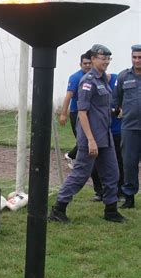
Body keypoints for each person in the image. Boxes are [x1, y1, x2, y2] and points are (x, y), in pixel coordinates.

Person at [49, 44, 125, 223]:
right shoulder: (87, 81)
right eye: (102, 58)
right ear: (92, 59)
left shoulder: (103, 80)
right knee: (81, 174)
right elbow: (82, 112)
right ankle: (58, 209)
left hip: (104, 136)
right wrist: (90, 140)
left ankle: (111, 210)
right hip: (90, 137)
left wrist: (114, 112)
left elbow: (101, 108)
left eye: (108, 58)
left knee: (112, 173)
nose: (105, 61)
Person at [59, 50, 103, 200]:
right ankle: (97, 189)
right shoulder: (76, 77)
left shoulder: (97, 77)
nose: (87, 66)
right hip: (78, 114)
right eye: (85, 64)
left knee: (93, 147)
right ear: (80, 64)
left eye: (89, 63)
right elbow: (68, 96)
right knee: (87, 147)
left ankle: (71, 155)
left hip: (92, 116)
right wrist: (64, 113)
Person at [112, 44, 141, 209]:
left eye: (140, 57)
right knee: (129, 163)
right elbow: (116, 101)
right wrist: (118, 113)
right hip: (130, 127)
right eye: (134, 57)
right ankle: (129, 197)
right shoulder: (123, 76)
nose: (137, 60)